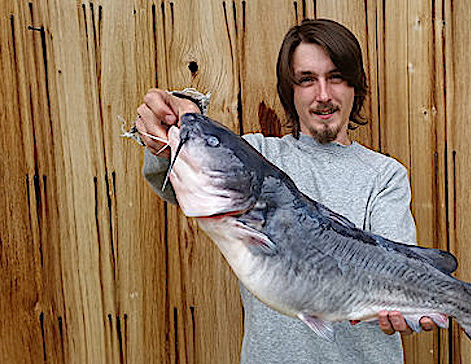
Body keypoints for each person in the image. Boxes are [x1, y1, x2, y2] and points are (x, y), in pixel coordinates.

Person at [136, 18, 436, 364]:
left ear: (356, 86)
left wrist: (405, 308)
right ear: (289, 91)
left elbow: (399, 264)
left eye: (335, 77)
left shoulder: (385, 175)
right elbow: (173, 175)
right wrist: (173, 123)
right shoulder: (258, 156)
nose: (323, 95)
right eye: (307, 80)